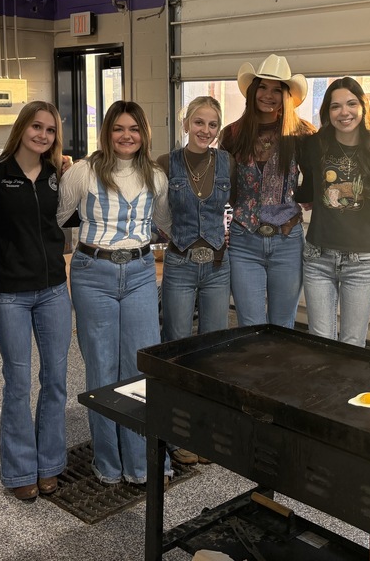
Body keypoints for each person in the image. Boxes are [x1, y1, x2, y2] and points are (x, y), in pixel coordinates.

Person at [57, 100, 172, 485]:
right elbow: (55, 218)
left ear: (144, 134)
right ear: (107, 132)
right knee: (102, 370)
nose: (127, 136)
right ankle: (108, 462)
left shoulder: (155, 176)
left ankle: (142, 463)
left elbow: (164, 220)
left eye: (134, 129)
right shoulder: (83, 173)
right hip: (93, 273)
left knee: (139, 368)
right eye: (119, 129)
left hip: (140, 273)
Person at [0, 101, 72, 502]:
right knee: (18, 382)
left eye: (51, 130)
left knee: (56, 379)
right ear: (22, 128)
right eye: (36, 127)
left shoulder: (59, 175)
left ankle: (50, 463)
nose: (42, 135)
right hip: (10, 295)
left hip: (54, 289)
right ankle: (20, 469)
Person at [156, 96, 234, 467]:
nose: (205, 130)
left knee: (215, 351)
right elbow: (159, 213)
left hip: (218, 266)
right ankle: (178, 433)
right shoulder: (166, 163)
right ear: (185, 124)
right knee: (179, 348)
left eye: (212, 125)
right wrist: (177, 240)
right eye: (199, 122)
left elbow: (231, 208)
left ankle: (210, 431)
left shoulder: (226, 162)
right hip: (181, 264)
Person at [297, 77, 370, 347]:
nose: (344, 112)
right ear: (327, 112)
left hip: (361, 263)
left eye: (351, 104)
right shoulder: (314, 146)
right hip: (318, 258)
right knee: (321, 340)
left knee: (353, 344)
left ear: (363, 107)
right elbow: (306, 189)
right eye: (335, 106)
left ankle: (349, 391)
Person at [220, 54, 316, 328]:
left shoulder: (302, 134)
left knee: (283, 324)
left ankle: (279, 372)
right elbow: (222, 186)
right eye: (263, 87)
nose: (269, 95)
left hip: (287, 239)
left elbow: (319, 176)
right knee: (249, 323)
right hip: (243, 239)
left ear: (287, 95)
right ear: (253, 91)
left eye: (277, 89)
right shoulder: (232, 134)